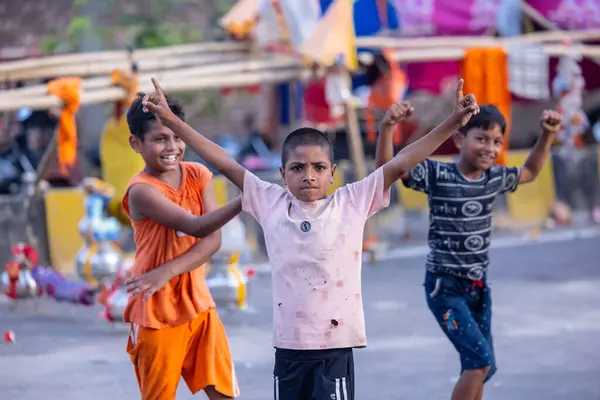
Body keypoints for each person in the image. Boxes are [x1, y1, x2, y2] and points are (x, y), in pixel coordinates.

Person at [141, 77, 479, 400]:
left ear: (333, 174)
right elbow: (222, 160)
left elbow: (404, 159)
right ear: (283, 175)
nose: (309, 176)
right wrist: (172, 121)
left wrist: (453, 123)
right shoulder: (270, 201)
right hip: (289, 347)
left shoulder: (352, 201)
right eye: (298, 168)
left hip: (334, 346)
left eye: (319, 167)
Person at [377, 104, 561, 400]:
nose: (490, 148)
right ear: (460, 140)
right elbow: (389, 168)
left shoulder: (493, 179)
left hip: (477, 287)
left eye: (497, 141)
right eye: (482, 138)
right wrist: (387, 128)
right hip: (445, 287)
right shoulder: (438, 173)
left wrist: (547, 135)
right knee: (479, 362)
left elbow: (529, 172)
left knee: (481, 366)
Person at [121, 93, 242, 400]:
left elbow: (213, 239)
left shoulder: (198, 174)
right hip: (155, 310)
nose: (172, 147)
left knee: (224, 392)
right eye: (160, 139)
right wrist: (246, 198)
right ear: (136, 144)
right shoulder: (141, 192)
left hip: (198, 303)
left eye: (177, 136)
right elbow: (197, 227)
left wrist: (168, 270)